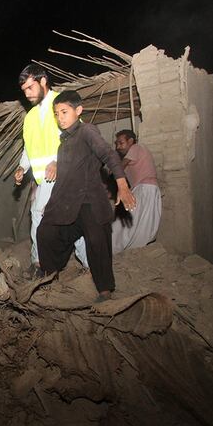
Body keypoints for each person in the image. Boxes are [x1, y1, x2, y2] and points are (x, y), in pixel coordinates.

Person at [36, 91, 136, 302]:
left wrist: (122, 184)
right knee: (45, 232)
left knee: (96, 239)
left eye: (64, 112)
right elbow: (63, 180)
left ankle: (105, 291)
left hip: (90, 201)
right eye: (56, 113)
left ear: (78, 110)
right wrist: (51, 205)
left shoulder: (87, 131)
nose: (60, 117)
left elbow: (108, 154)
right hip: (68, 204)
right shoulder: (63, 144)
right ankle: (49, 276)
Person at [13, 64, 87, 276]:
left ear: (43, 81)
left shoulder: (62, 104)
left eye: (30, 87)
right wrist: (22, 166)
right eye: (24, 90)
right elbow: (29, 147)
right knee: (51, 217)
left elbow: (76, 137)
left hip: (66, 173)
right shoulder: (30, 117)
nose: (27, 94)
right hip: (44, 179)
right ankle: (43, 263)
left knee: (68, 217)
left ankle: (41, 263)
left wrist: (58, 161)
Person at [111, 129, 162, 253]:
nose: (118, 147)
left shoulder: (137, 148)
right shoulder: (133, 158)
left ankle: (113, 247)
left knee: (126, 220)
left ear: (131, 141)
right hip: (147, 189)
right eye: (116, 144)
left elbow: (118, 168)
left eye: (121, 143)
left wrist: (111, 165)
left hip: (145, 188)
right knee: (142, 223)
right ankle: (133, 249)